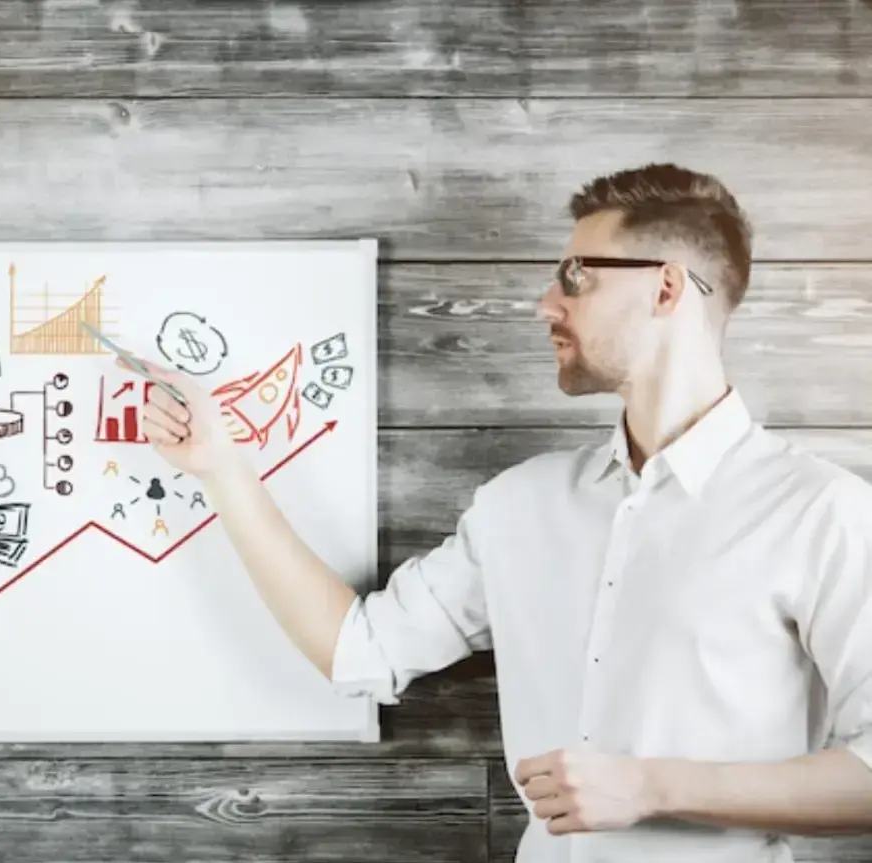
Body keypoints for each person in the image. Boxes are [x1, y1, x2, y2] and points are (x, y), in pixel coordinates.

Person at [130, 163, 872, 862]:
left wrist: (652, 786)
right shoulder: (519, 504)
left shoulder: (820, 512)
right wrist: (221, 468)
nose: (544, 303)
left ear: (667, 288)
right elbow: (358, 651)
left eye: (576, 276)